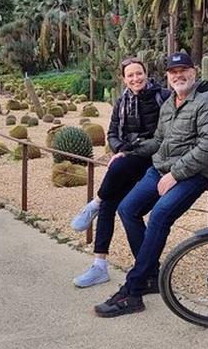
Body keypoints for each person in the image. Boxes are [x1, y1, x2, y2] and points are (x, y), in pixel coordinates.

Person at [94, 52, 208, 317]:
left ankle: (133, 291)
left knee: (159, 215)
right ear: (167, 76)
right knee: (127, 209)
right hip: (162, 169)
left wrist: (176, 174)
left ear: (194, 71)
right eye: (172, 72)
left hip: (196, 174)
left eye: (183, 70)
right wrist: (129, 153)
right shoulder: (169, 104)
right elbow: (159, 141)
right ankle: (152, 275)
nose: (178, 75)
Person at [70, 57, 170, 288]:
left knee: (117, 173)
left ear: (146, 73)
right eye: (130, 75)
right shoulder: (122, 100)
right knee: (110, 205)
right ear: (123, 79)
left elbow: (161, 138)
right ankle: (99, 265)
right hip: (128, 158)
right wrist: (121, 149)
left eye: (139, 73)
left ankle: (94, 202)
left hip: (152, 159)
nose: (136, 78)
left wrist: (127, 151)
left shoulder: (162, 97)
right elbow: (112, 133)